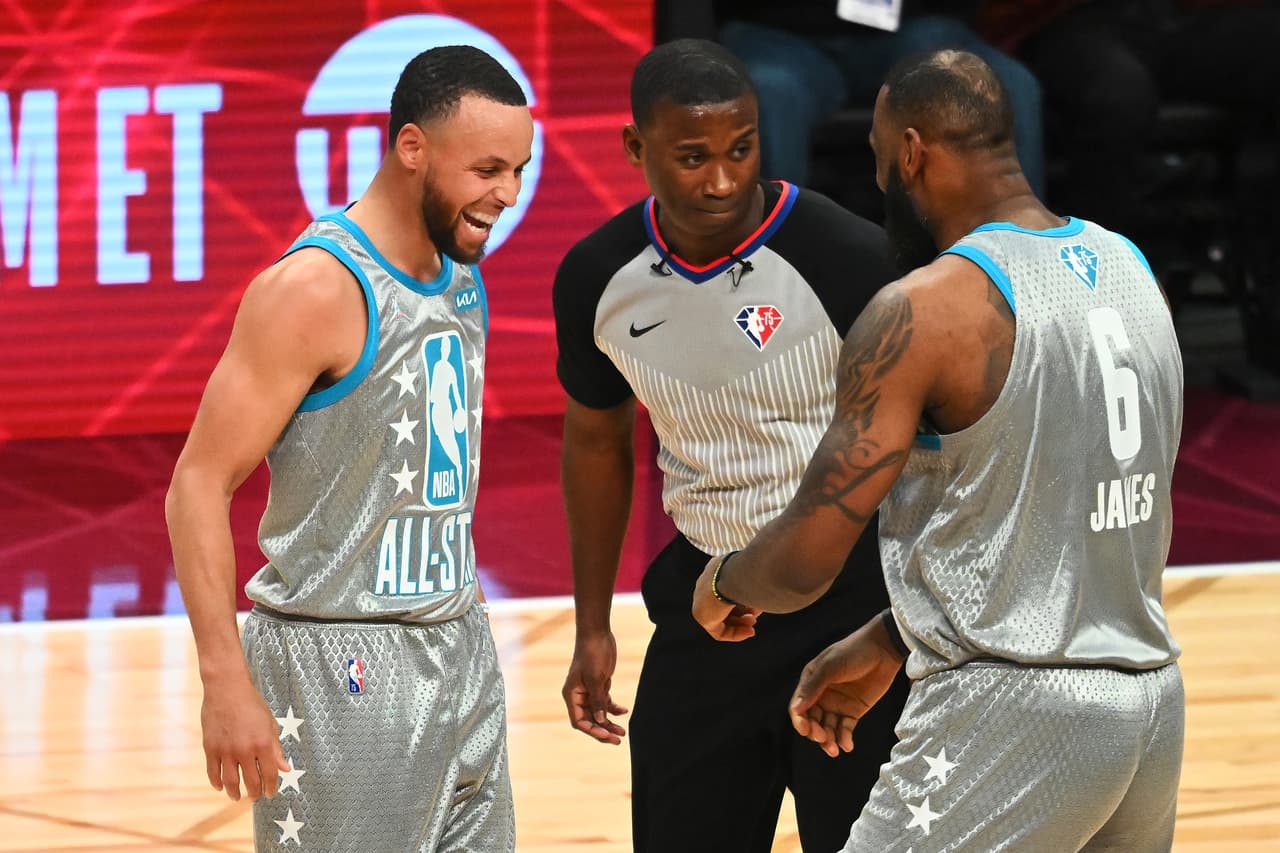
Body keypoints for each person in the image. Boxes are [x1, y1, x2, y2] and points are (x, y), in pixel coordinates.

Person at [693, 49, 1185, 850]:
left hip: (1009, 716)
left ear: (914, 151)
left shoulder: (927, 310)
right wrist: (898, 632)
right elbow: (1064, 521)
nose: (883, 182)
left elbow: (805, 560)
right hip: (1150, 711)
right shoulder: (1135, 275)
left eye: (884, 160)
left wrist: (723, 581)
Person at [164, 45, 534, 852]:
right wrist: (224, 678)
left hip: (458, 640)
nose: (506, 194)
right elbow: (195, 483)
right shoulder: (314, 289)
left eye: (518, 169)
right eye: (488, 169)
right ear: (412, 149)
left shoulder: (461, 270)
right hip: (340, 667)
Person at [553, 38, 909, 853]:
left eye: (740, 149)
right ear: (636, 149)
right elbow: (598, 442)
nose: (721, 178)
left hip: (851, 607)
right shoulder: (596, 275)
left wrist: (908, 620)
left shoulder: (849, 256)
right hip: (708, 606)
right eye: (691, 156)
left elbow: (930, 446)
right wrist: (593, 623)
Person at [714, 0, 1045, 196]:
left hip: (918, 25)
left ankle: (1012, 277)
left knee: (1003, 87)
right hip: (776, 29)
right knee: (768, 96)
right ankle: (762, 284)